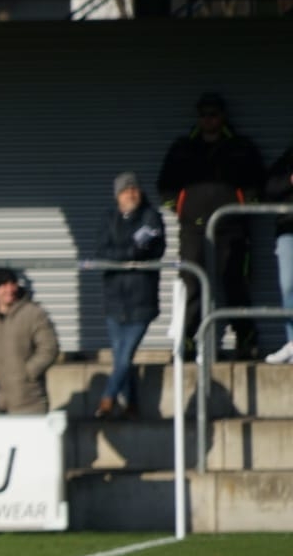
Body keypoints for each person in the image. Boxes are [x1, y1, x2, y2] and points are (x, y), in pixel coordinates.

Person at [157, 92, 265, 359]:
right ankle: (186, 340)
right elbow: (165, 186)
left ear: (222, 116)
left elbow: (256, 184)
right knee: (191, 282)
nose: (208, 119)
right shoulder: (183, 147)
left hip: (231, 229)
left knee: (234, 282)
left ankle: (246, 338)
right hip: (193, 229)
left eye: (213, 114)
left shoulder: (240, 147)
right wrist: (180, 209)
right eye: (204, 114)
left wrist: (243, 208)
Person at [94, 172, 168, 417]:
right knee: (121, 358)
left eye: (135, 189)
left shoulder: (151, 216)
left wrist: (124, 254)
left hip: (141, 300)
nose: (131, 194)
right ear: (118, 195)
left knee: (125, 356)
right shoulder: (108, 218)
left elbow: (149, 248)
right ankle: (132, 405)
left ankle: (107, 398)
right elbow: (102, 252)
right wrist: (129, 253)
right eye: (126, 190)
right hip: (114, 300)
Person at [0, 268, 61, 415]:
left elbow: (49, 348)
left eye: (13, 284)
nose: (10, 289)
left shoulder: (34, 314)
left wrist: (28, 372)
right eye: (4, 285)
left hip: (28, 402)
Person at [263, 141, 293, 364]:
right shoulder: (288, 158)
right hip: (288, 230)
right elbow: (269, 188)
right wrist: (289, 180)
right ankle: (292, 343)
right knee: (288, 285)